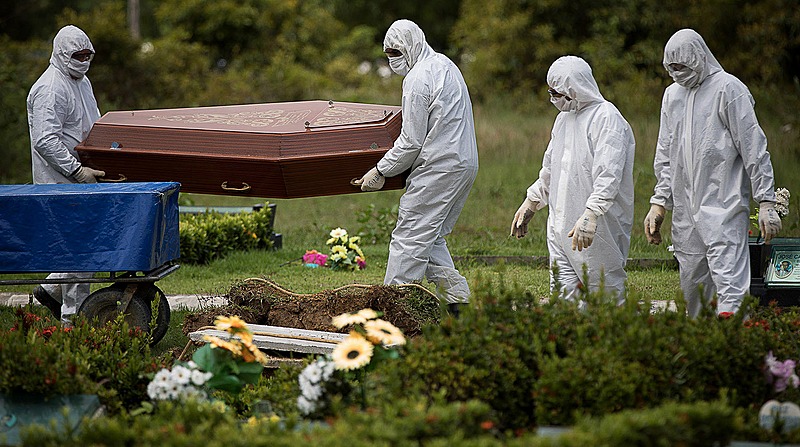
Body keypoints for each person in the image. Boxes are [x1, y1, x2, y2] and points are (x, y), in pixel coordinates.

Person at [643, 28, 781, 318]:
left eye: (682, 66)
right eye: (671, 68)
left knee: (730, 284)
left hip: (724, 205)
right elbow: (666, 153)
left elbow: (753, 147)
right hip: (686, 212)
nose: (677, 73)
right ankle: (701, 350)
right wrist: (659, 202)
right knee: (692, 288)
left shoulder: (728, 89)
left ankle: (733, 346)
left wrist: (766, 200)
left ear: (698, 58)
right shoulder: (672, 96)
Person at [355, 19, 479, 316]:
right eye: (388, 54)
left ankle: (396, 310)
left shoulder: (417, 79)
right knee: (431, 234)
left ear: (411, 45)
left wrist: (380, 170)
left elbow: (411, 141)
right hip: (463, 162)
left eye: (396, 53)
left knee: (410, 235)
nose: (392, 60)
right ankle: (457, 304)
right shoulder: (445, 65)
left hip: (439, 165)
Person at [510, 55, 635, 306]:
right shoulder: (564, 119)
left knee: (605, 295)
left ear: (573, 91)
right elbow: (551, 168)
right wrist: (532, 201)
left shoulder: (607, 118)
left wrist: (592, 213)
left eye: (556, 93)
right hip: (561, 226)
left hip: (597, 228)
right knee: (565, 303)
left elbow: (609, 174)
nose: (552, 98)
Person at [27, 25, 105, 324]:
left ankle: (49, 290)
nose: (83, 60)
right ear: (61, 54)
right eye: (77, 55)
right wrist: (76, 170)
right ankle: (73, 320)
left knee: (85, 245)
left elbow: (90, 122)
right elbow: (45, 140)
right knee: (77, 250)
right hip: (59, 182)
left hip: (81, 176)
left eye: (87, 54)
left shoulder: (81, 82)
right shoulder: (50, 88)